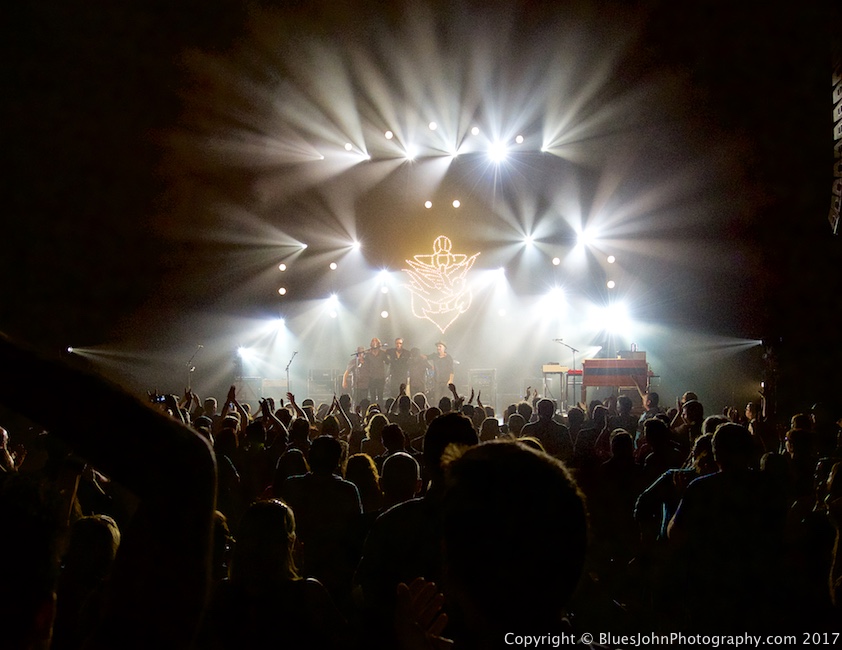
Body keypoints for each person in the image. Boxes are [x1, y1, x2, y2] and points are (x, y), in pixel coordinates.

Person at [363, 338, 388, 404]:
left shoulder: (382, 353)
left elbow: (388, 362)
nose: (374, 343)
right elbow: (365, 364)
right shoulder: (368, 354)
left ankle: (381, 410)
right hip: (371, 377)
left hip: (380, 377)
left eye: (376, 342)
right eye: (373, 342)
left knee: (380, 396)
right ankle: (372, 410)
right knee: (372, 396)